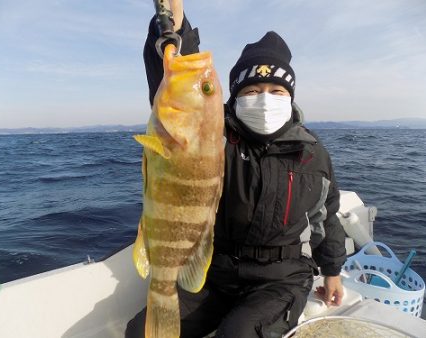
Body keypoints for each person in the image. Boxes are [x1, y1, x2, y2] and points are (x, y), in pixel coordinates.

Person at [126, 1, 346, 337]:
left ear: (290, 97)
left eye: (276, 91)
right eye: (252, 91)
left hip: (280, 278)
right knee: (139, 331)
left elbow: (325, 217)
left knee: (238, 333)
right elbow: (182, 96)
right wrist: (178, 27)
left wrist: (332, 271)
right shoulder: (217, 136)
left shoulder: (312, 154)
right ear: (235, 98)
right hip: (218, 274)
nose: (264, 99)